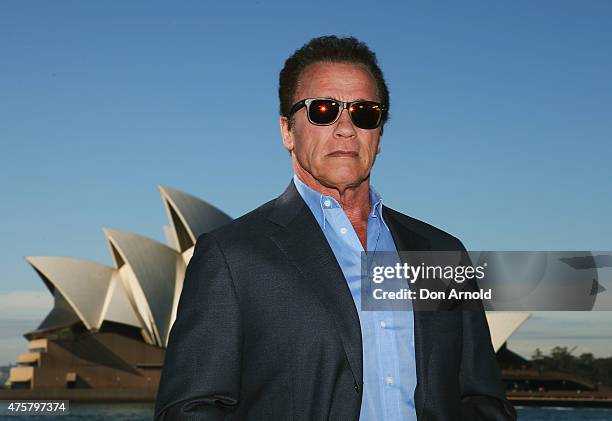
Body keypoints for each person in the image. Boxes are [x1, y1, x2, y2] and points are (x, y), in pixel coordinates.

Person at [154, 35, 516, 420]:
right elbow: (189, 410)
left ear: (378, 135)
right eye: (322, 110)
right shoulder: (233, 256)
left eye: (364, 112)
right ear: (287, 131)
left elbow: (482, 398)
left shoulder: (440, 251)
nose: (345, 127)